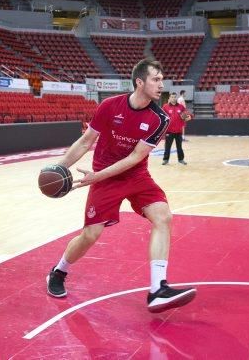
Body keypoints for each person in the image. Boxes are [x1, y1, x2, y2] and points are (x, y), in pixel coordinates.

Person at [45, 59, 196, 313]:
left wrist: (98, 175)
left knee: (163, 217)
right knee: (91, 235)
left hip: (135, 175)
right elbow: (85, 142)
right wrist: (59, 168)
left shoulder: (160, 118)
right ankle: (58, 272)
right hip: (106, 177)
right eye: (155, 79)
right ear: (140, 82)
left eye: (161, 79)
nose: (161, 84)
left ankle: (158, 289)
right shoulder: (109, 106)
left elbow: (135, 158)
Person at [161, 92, 187, 165]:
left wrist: (186, 117)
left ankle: (181, 160)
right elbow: (162, 116)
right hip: (169, 131)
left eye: (175, 97)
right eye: (172, 97)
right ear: (169, 98)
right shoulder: (165, 106)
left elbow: (185, 116)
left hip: (178, 131)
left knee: (179, 147)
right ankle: (166, 160)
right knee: (167, 147)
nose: (173, 98)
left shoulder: (181, 107)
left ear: (176, 97)